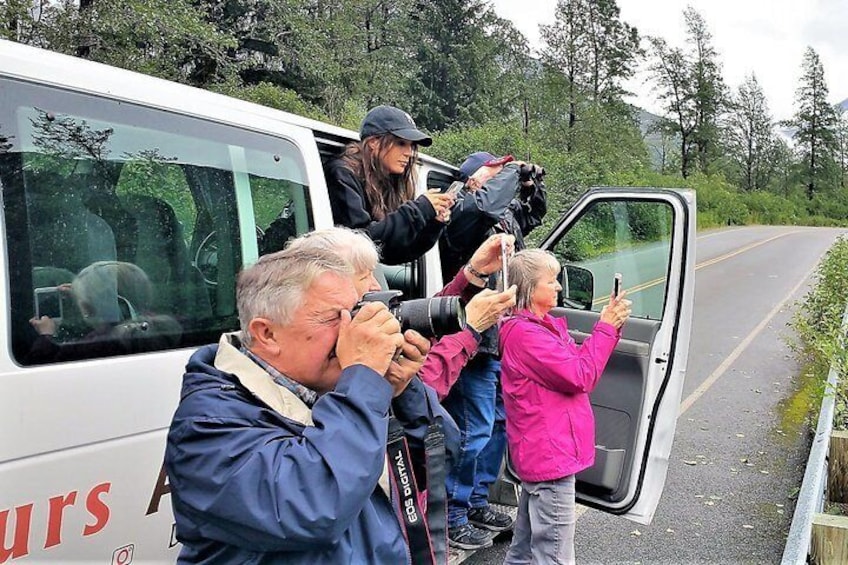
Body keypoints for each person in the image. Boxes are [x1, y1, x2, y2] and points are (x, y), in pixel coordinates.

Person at [164, 231, 457, 564]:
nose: (354, 330)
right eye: (336, 317)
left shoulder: (335, 388)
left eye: (356, 311)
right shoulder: (207, 425)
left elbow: (440, 460)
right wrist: (362, 382)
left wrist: (400, 394)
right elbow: (316, 506)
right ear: (267, 333)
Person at [438, 151, 548, 550]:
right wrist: (509, 173)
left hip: (501, 340)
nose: (506, 181)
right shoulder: (463, 215)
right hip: (472, 339)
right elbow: (482, 206)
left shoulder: (502, 218)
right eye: (497, 176)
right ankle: (451, 514)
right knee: (472, 430)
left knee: (500, 425)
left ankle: (477, 502)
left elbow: (534, 214)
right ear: (473, 181)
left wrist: (533, 184)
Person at [499, 249, 632, 565]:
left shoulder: (540, 327)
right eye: (552, 281)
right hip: (550, 456)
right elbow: (581, 375)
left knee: (525, 548)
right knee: (554, 554)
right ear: (530, 289)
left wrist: (608, 325)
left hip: (544, 453)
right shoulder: (526, 335)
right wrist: (606, 327)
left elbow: (578, 363)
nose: (558, 287)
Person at [326, 104, 455, 265]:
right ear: (374, 142)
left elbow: (392, 254)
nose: (409, 152)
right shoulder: (342, 173)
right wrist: (419, 209)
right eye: (401, 143)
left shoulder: (388, 181)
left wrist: (433, 224)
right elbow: (360, 244)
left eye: (411, 145)